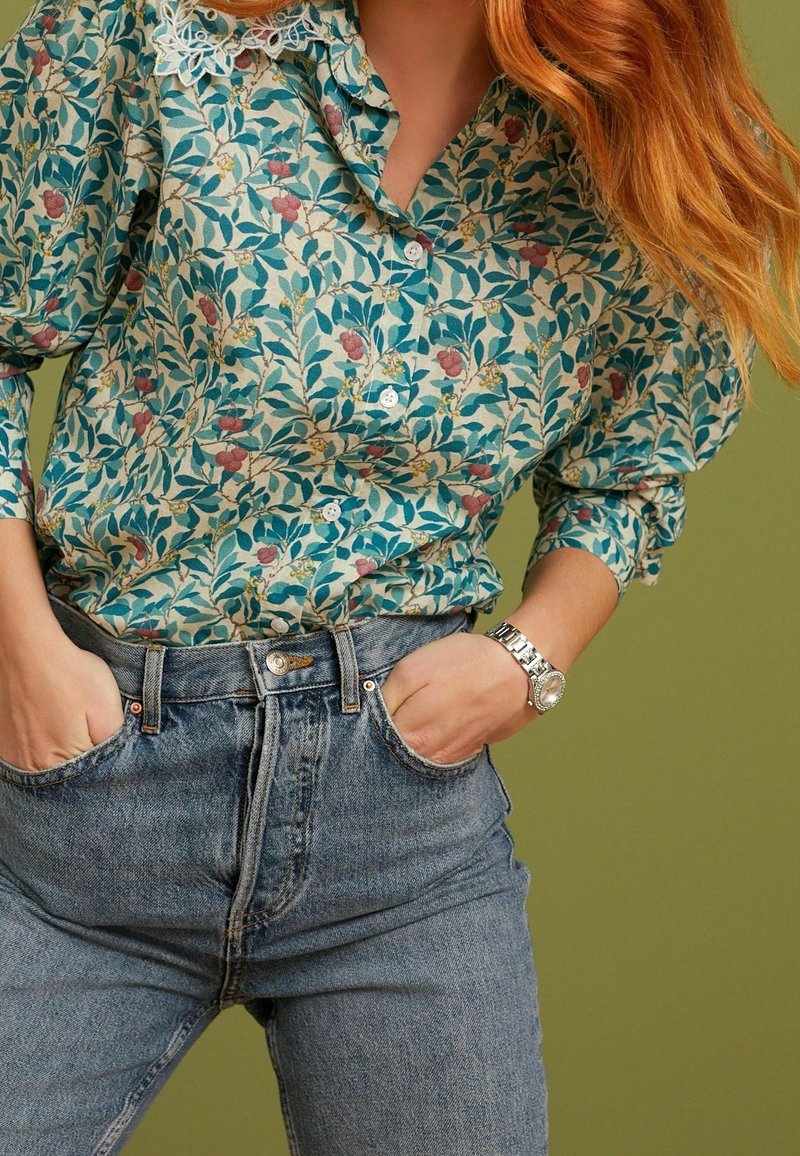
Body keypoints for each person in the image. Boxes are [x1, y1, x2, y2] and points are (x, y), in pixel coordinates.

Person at [0, 0, 797, 1152]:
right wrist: (23, 651)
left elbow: (627, 474)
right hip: (90, 793)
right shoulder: (149, 36)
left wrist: (526, 659)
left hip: (399, 827)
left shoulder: (630, 130)